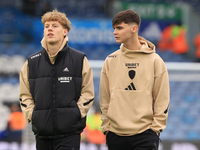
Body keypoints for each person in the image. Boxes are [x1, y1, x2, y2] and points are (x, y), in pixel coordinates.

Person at [19, 9, 94, 150]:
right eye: (46, 26)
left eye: (55, 26)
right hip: (42, 135)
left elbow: (88, 93)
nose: (49, 29)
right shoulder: (31, 62)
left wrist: (76, 113)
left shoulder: (79, 59)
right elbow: (24, 95)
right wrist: (33, 115)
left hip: (70, 134)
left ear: (65, 31)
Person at [99, 10, 170, 150]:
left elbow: (162, 99)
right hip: (115, 135)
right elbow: (104, 98)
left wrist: (155, 129)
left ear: (134, 28)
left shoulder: (155, 61)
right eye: (114, 28)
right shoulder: (110, 60)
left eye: (119, 28)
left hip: (145, 135)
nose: (115, 32)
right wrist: (107, 128)